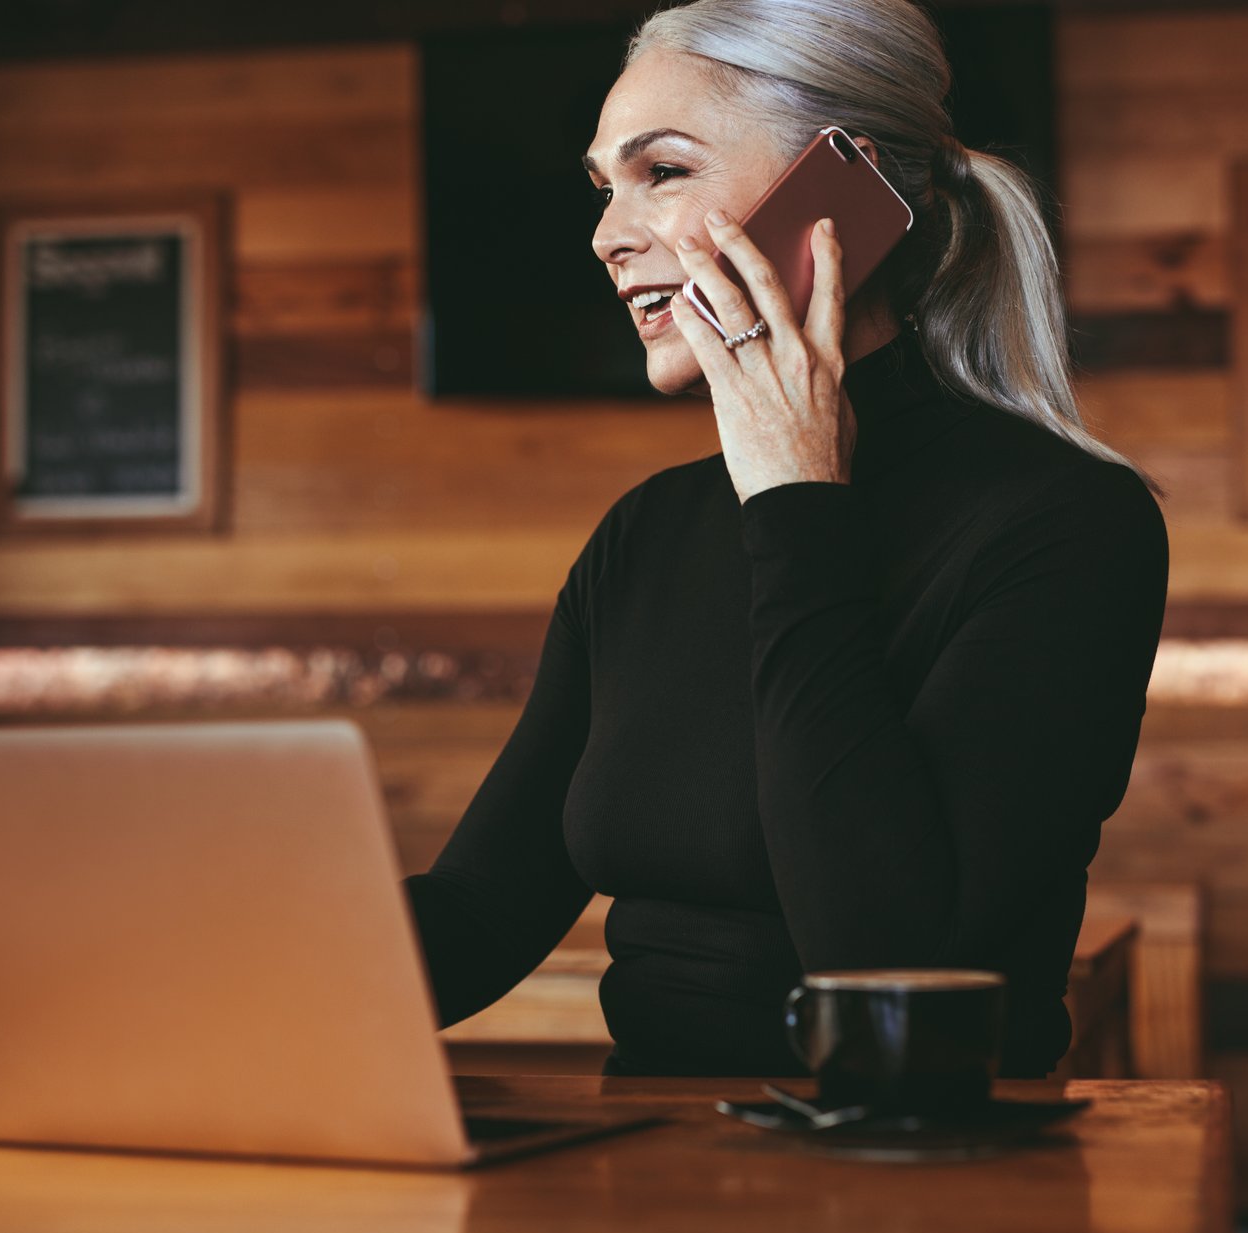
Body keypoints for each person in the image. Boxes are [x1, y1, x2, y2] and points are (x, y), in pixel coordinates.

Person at [403, 0, 1168, 1078]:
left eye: (661, 172)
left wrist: (796, 500)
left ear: (840, 194)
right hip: (654, 1185)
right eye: (602, 186)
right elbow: (481, 910)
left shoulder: (1065, 522)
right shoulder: (645, 534)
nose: (607, 236)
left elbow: (891, 970)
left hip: (926, 1183)